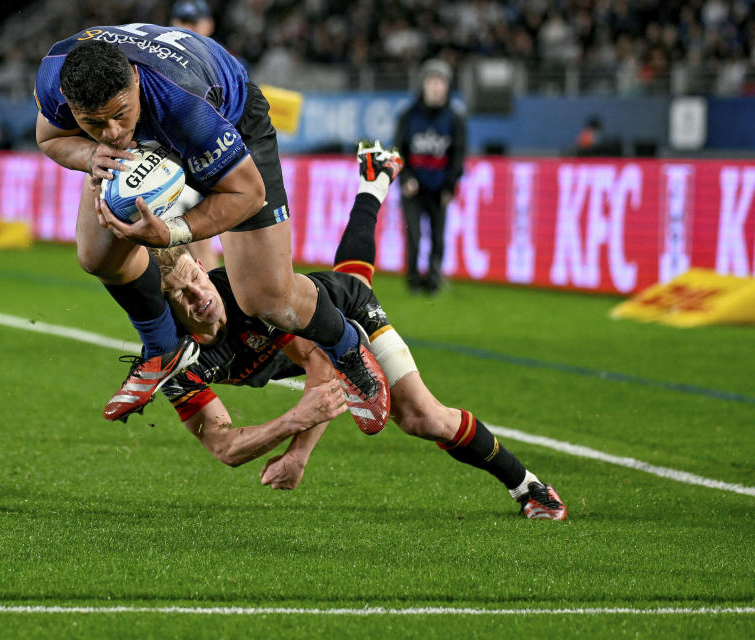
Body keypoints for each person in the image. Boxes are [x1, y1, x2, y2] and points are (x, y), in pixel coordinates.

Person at [151, 141, 566, 520]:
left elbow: (326, 363)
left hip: (340, 318)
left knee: (420, 416)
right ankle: (375, 182)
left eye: (196, 280)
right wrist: (292, 420)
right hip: (308, 320)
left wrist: (299, 453)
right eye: (181, 296)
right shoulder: (171, 360)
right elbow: (224, 446)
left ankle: (529, 488)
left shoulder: (249, 296)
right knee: (350, 274)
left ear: (204, 266)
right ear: (164, 311)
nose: (197, 296)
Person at [33, 25, 389, 435]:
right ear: (71, 104)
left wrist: (173, 233)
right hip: (158, 131)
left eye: (119, 115)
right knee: (95, 256)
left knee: (268, 299)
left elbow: (248, 193)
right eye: (93, 122)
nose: (112, 132)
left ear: (133, 78)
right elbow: (49, 137)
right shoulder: (56, 75)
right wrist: (92, 152)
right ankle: (163, 348)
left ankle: (348, 349)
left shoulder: (184, 104)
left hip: (228, 124)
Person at [394, 58, 467, 295]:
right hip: (413, 188)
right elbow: (398, 150)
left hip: (439, 189)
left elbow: (458, 155)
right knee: (413, 235)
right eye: (432, 81)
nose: (437, 87)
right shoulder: (408, 116)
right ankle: (414, 280)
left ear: (447, 87)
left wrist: (450, 186)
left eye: (441, 82)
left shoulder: (455, 119)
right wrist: (406, 178)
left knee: (438, 237)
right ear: (423, 85)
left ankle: (434, 280)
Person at [169, 0, 221, 269]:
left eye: (193, 22)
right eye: (181, 21)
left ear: (208, 25)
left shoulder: (224, 62)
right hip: (177, 156)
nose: (187, 28)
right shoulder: (161, 62)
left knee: (189, 234)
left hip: (212, 156)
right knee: (194, 239)